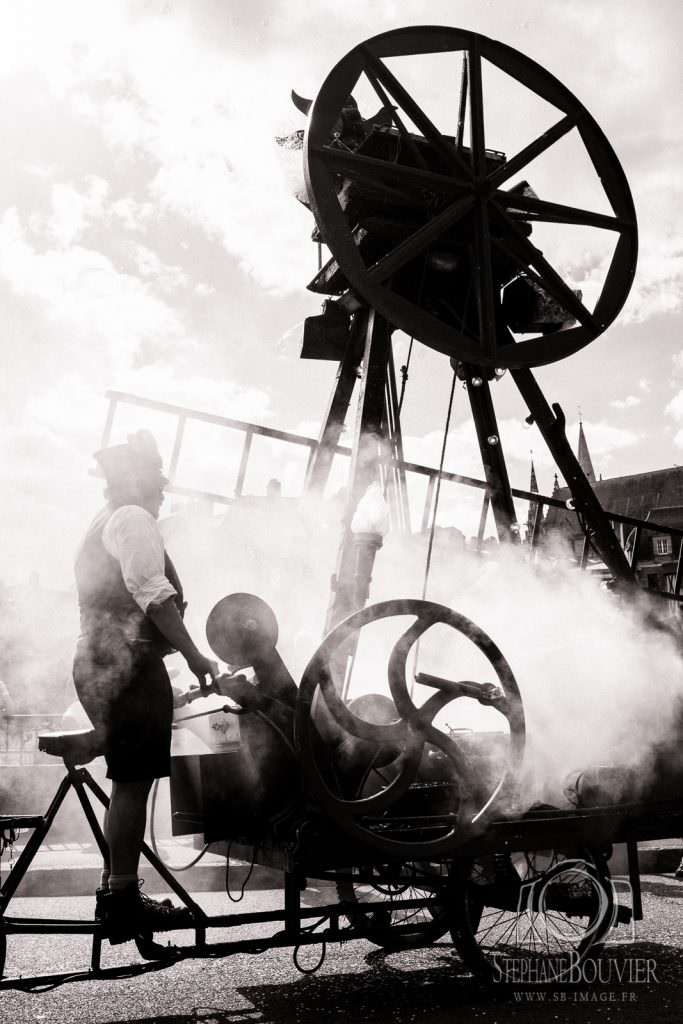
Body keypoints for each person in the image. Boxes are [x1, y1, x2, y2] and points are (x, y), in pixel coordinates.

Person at [73, 429, 218, 944]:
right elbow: (155, 599)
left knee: (128, 780)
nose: (161, 491)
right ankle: (123, 899)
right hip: (126, 665)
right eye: (156, 481)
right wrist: (198, 656)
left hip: (101, 659)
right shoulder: (132, 519)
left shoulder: (102, 521)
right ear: (135, 479)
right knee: (133, 782)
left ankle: (117, 894)